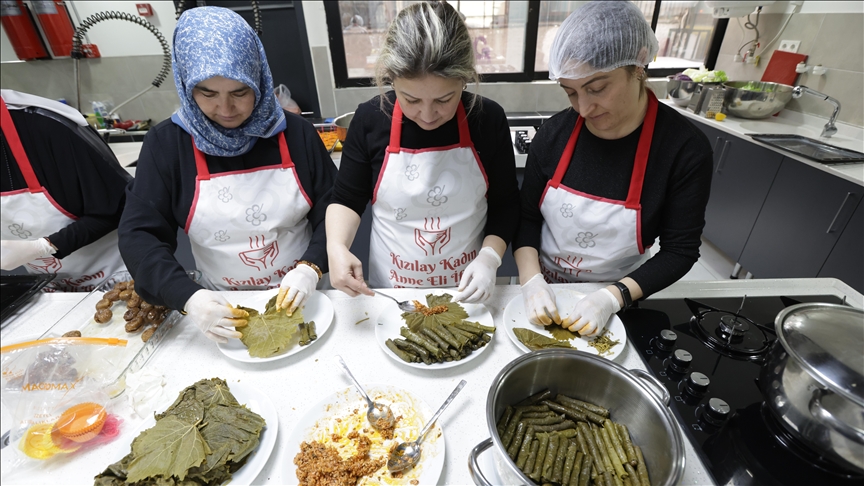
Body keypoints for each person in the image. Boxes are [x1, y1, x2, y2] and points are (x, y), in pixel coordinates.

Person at [119, 7, 337, 343]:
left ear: (260, 79)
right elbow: (139, 236)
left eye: (239, 92)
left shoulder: (296, 134)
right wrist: (187, 297)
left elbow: (333, 209)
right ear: (186, 84)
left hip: (306, 298)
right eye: (207, 93)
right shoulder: (167, 145)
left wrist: (312, 266)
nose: (225, 109)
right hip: (222, 309)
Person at [513, 1, 713, 337]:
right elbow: (528, 218)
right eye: (571, 92)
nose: (584, 107)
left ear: (638, 64)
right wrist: (531, 281)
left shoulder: (684, 148)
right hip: (545, 290)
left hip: (621, 296)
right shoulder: (554, 134)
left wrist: (611, 297)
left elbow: (680, 250)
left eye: (597, 88)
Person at [326, 1, 520, 303]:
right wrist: (336, 246)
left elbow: (505, 205)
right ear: (391, 79)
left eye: (445, 98)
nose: (428, 114)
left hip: (467, 292)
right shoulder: (370, 119)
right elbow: (346, 199)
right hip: (392, 291)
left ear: (466, 78)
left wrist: (489, 259)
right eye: (411, 99)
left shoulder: (487, 119)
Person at [0, 89, 131, 292]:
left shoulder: (47, 126)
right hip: (49, 290)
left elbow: (120, 205)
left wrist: (46, 246)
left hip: (117, 279)